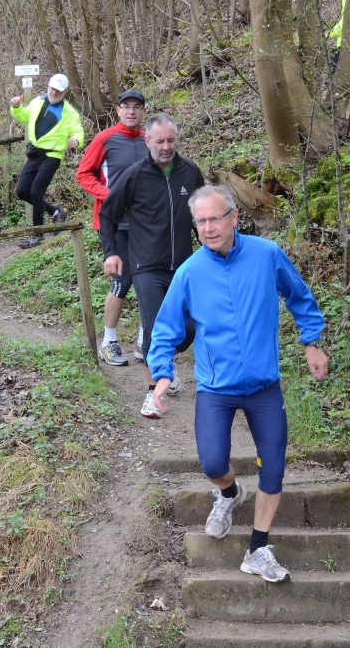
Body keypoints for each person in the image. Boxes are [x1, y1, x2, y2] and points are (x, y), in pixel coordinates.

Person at [148, 184, 328, 583]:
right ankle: (229, 493)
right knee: (213, 462)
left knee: (274, 469)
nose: (208, 228)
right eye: (201, 221)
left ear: (234, 217)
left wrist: (311, 343)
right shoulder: (190, 272)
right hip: (216, 388)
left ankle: (258, 548)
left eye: (215, 218)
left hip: (265, 385)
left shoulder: (266, 255)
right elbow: (165, 330)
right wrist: (162, 373)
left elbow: (300, 297)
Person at [99, 112, 204, 416]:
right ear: (148, 141)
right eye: (160, 141)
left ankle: (166, 363)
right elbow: (108, 215)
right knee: (155, 328)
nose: (166, 146)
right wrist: (111, 252)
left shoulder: (190, 173)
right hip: (146, 266)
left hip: (184, 266)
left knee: (189, 327)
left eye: (171, 140)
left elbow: (202, 216)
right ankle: (152, 394)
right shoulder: (134, 175)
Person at [76, 90, 148, 366]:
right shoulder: (104, 139)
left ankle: (144, 339)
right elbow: (83, 175)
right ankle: (109, 341)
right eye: (126, 107)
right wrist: (110, 196)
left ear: (143, 112)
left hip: (144, 224)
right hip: (113, 223)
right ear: (117, 111)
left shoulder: (148, 140)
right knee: (122, 279)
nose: (131, 111)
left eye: (137, 107)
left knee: (147, 279)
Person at [10, 73, 84, 249]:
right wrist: (16, 107)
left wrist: (77, 140)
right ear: (47, 86)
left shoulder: (69, 112)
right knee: (22, 191)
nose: (53, 92)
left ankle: (38, 235)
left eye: (58, 90)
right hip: (35, 153)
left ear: (64, 92)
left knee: (36, 192)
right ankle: (55, 211)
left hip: (52, 155)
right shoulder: (38, 102)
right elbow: (23, 117)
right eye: (51, 88)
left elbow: (79, 132)